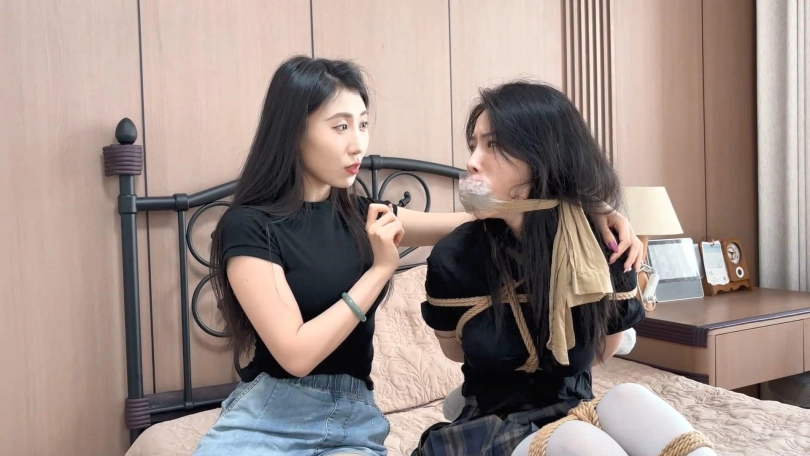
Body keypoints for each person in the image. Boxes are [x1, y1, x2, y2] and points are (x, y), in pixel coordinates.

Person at [192, 55, 643, 456]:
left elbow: (492, 216)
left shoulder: (361, 215)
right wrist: (380, 269)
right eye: (340, 126)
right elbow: (296, 354)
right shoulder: (249, 225)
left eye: (363, 124)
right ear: (293, 131)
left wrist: (589, 212)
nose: (358, 144)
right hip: (272, 413)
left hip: (352, 416)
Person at [413, 81, 716, 456]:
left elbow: (605, 348)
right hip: (491, 428)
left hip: (573, 411)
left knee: (628, 397)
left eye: (493, 145)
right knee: (576, 439)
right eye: (473, 145)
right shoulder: (456, 257)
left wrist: (593, 212)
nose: (472, 161)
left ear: (543, 156)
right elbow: (457, 353)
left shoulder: (605, 248)